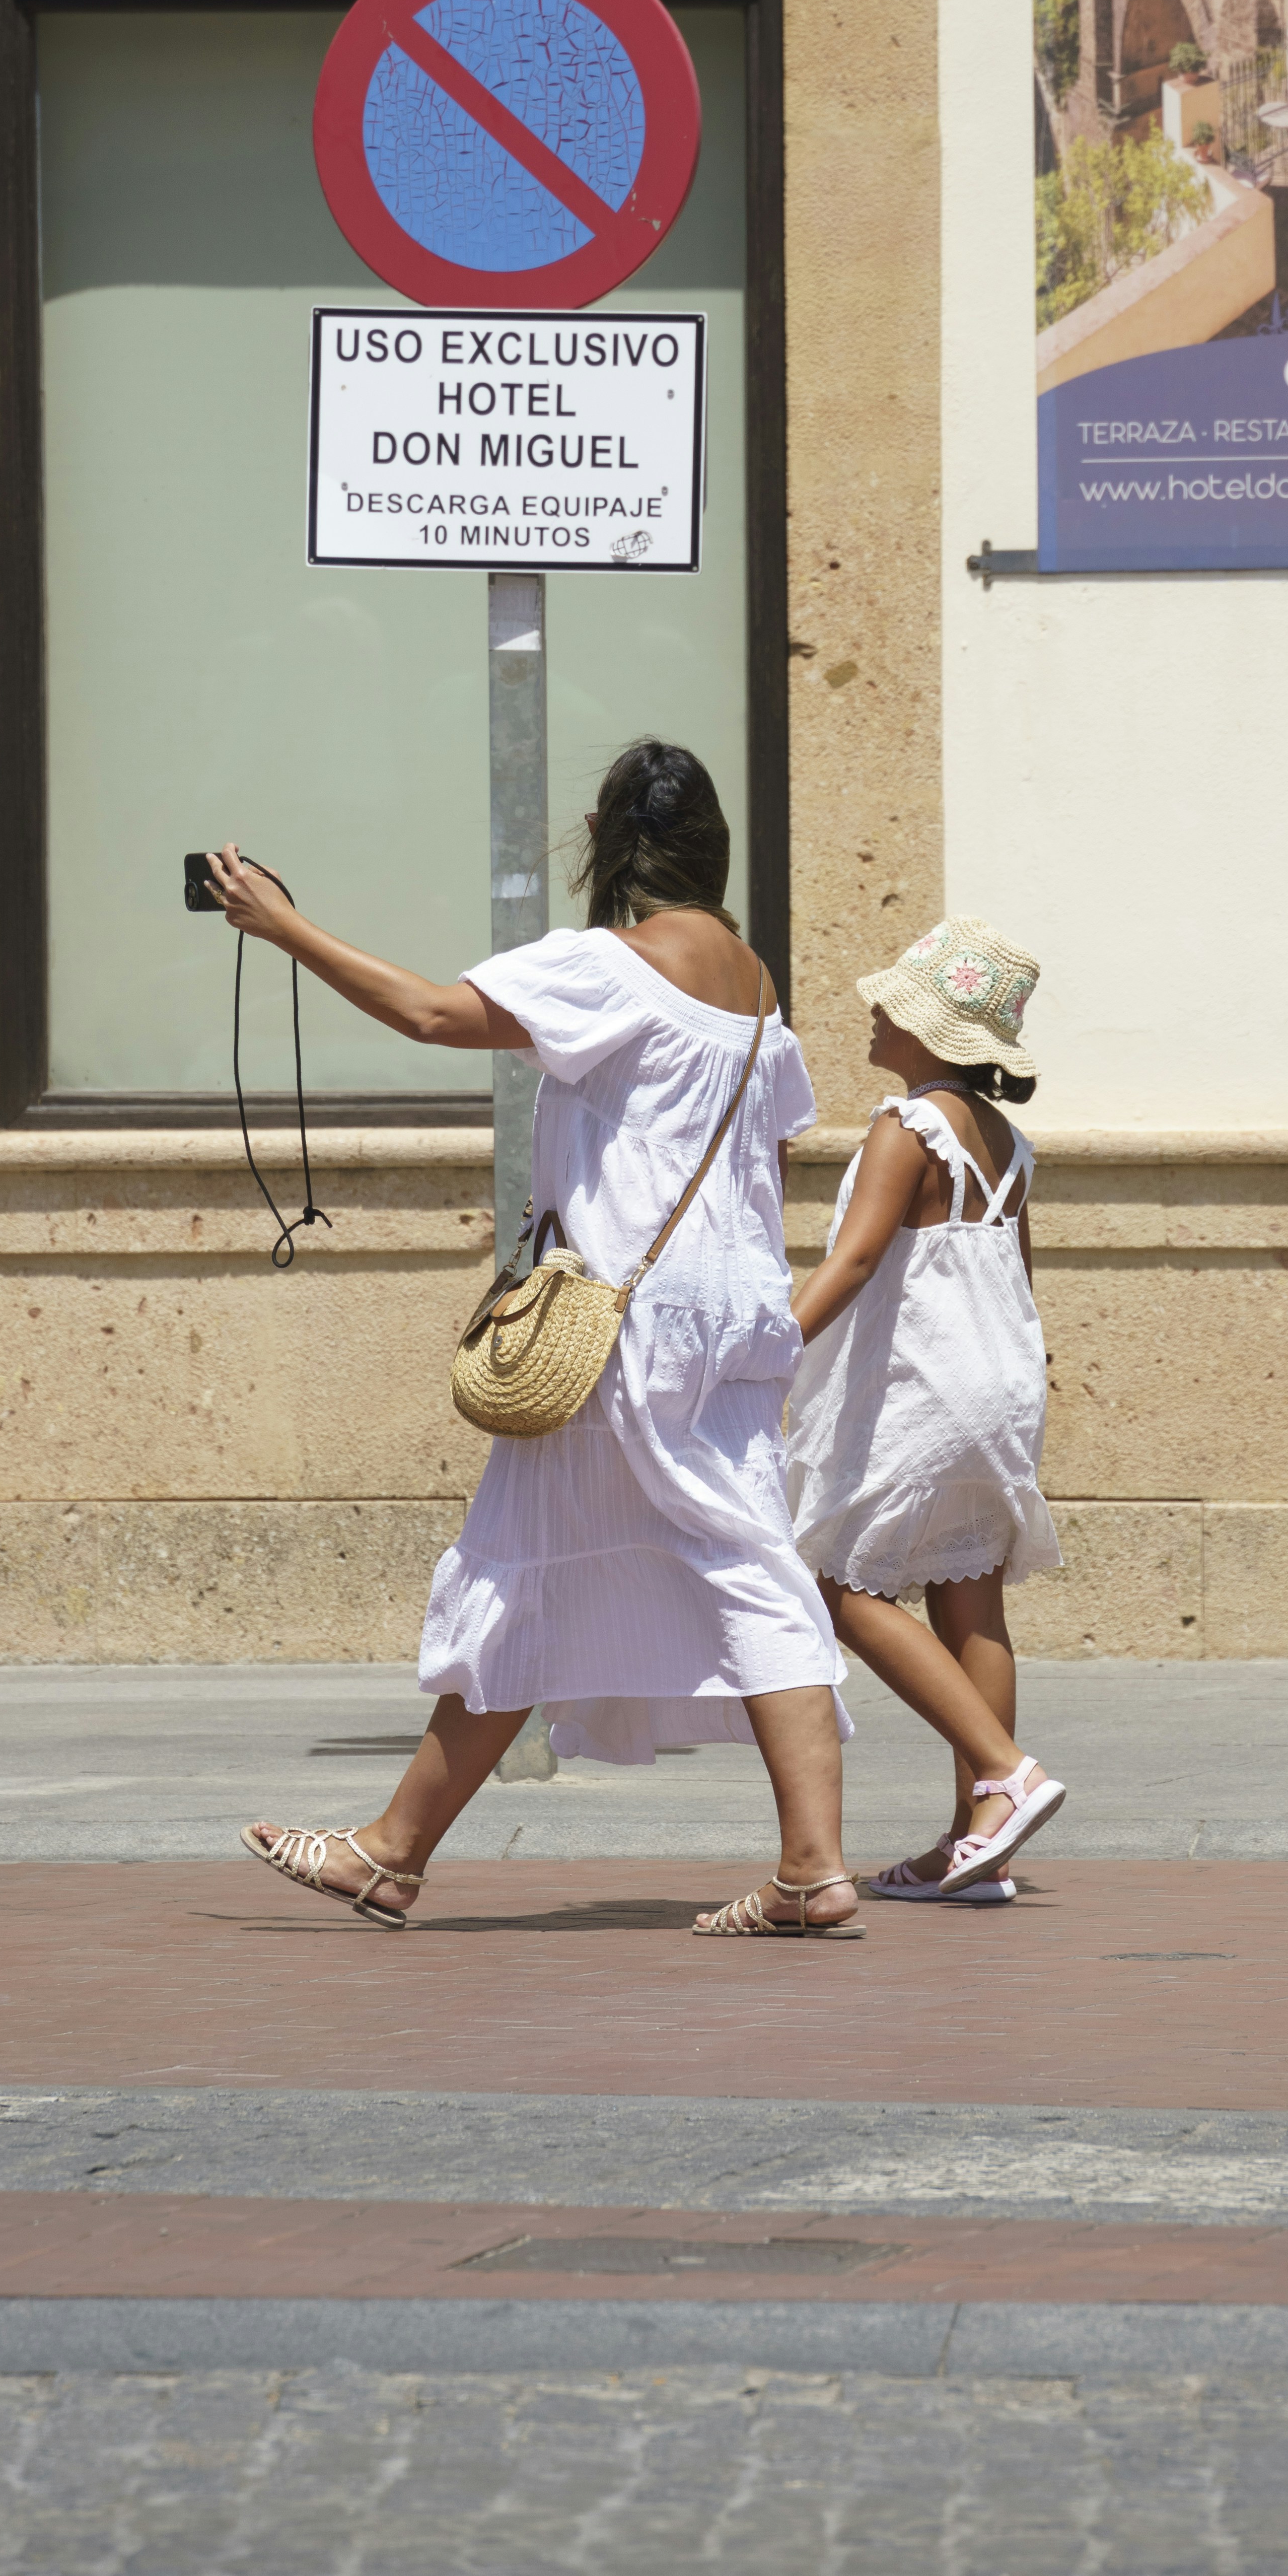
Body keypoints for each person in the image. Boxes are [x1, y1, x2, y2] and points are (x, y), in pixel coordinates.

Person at [207, 739, 858, 1938]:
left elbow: (430, 1012)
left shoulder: (609, 965)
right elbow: (766, 1155)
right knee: (659, 1557)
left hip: (625, 1313)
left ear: (608, 841)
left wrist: (284, 928)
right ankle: (400, 1852)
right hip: (733, 1306)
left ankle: (403, 1853)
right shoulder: (756, 984)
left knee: (588, 1563)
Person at [786, 917, 1065, 1901]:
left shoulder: (909, 1127)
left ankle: (1004, 1771)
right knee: (970, 1590)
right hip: (999, 1385)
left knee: (838, 1586)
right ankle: (974, 1840)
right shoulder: (1010, 1144)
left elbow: (854, 1260)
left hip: (929, 1387)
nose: (872, 1009)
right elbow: (1017, 1280)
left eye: (895, 1005)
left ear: (934, 1036)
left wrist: (765, 1347)